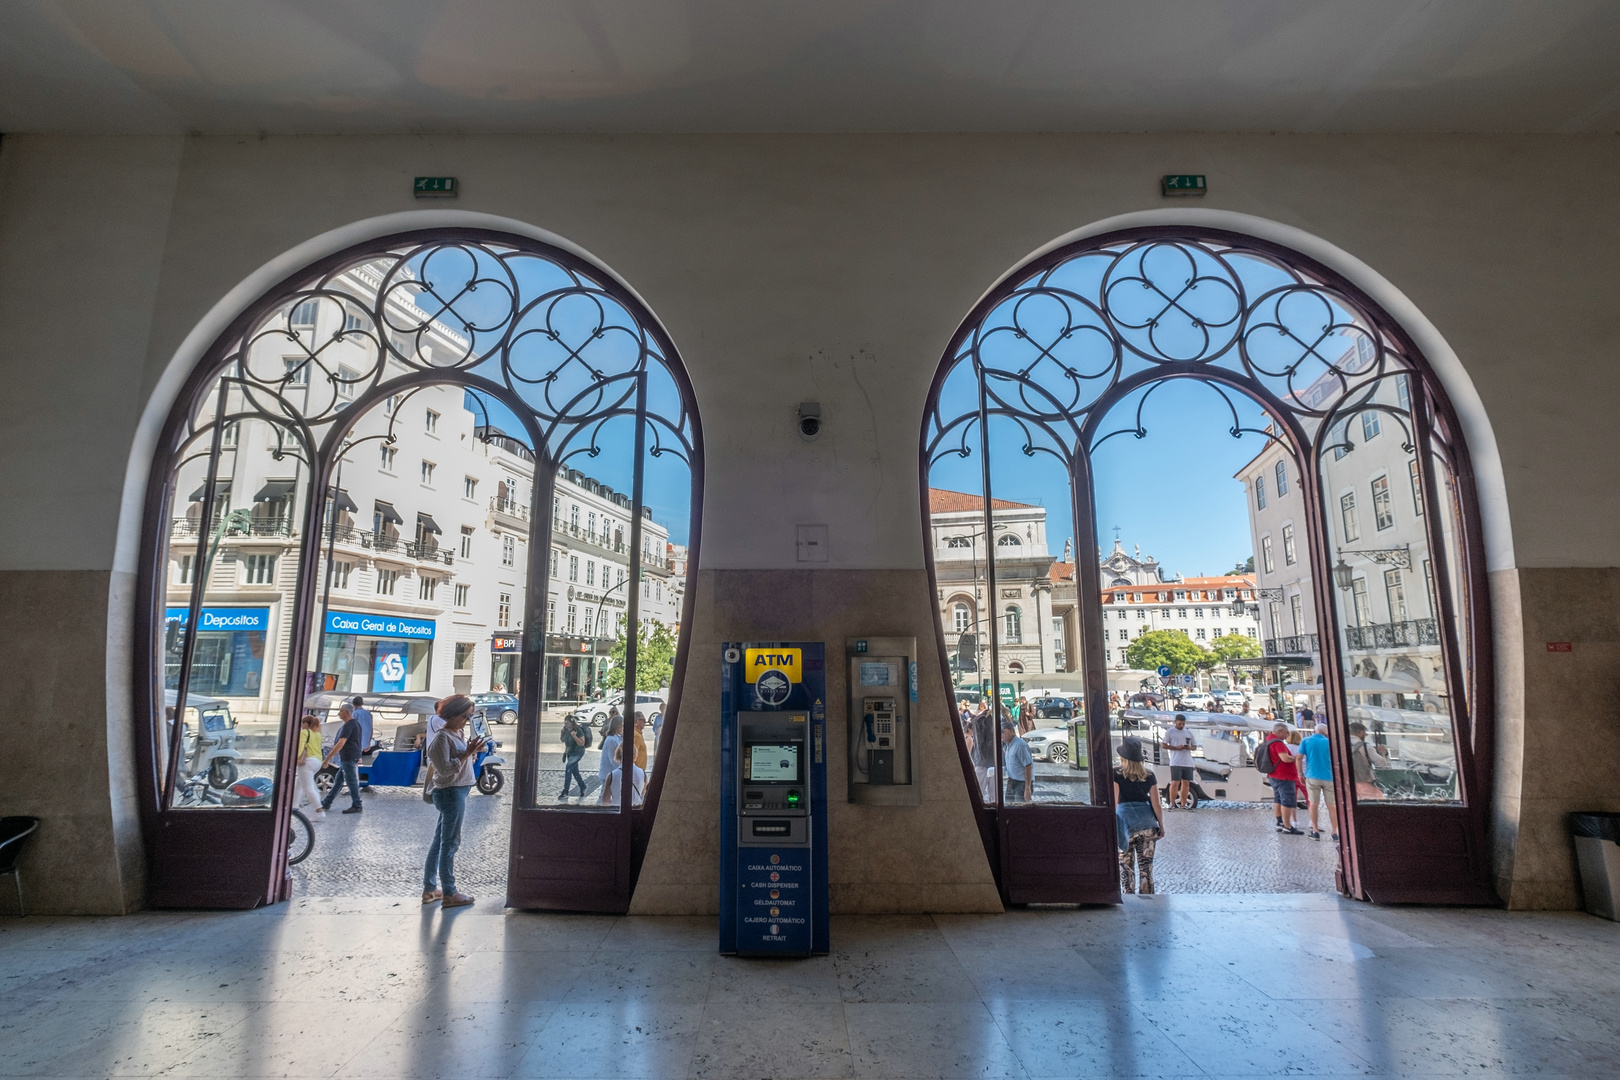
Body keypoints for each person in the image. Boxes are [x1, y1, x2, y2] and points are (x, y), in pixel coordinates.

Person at [422, 694, 487, 907]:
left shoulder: (457, 732)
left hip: (456, 791)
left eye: (469, 717)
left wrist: (472, 752)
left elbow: (461, 761)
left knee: (438, 842)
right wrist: (466, 752)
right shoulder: (442, 738)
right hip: (450, 792)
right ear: (451, 715)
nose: (467, 721)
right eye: (465, 716)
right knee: (450, 843)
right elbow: (446, 770)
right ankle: (450, 892)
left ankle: (430, 889)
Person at [1113, 736, 1164, 895]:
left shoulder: (1116, 774)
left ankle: (1128, 900)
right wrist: (1161, 825)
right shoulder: (1149, 775)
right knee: (1146, 868)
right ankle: (1148, 901)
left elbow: (1114, 802)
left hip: (1125, 826)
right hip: (1148, 825)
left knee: (1126, 867)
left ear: (1123, 757)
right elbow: (1156, 804)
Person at [319, 703, 365, 814]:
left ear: (346, 712)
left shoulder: (348, 725)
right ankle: (327, 802)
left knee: (351, 781)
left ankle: (357, 805)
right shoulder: (356, 724)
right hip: (350, 756)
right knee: (339, 781)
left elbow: (341, 743)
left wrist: (327, 759)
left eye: (340, 711)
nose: (339, 713)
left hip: (348, 757)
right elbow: (357, 742)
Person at [1260, 721, 1303, 834]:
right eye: (1286, 732)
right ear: (1280, 732)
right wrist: (1297, 758)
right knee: (1287, 799)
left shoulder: (1269, 740)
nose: (1288, 735)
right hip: (1284, 776)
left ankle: (1279, 822)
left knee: (1278, 798)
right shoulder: (1278, 743)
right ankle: (1287, 826)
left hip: (1273, 774)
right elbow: (1285, 758)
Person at [1297, 721, 1337, 840]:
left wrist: (1300, 773)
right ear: (1326, 733)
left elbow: (1299, 758)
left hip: (1312, 776)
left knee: (1313, 804)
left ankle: (1315, 831)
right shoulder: (1330, 742)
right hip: (1329, 776)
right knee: (1332, 805)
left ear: (1315, 731)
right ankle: (1335, 832)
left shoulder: (1306, 741)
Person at [1162, 713, 1197, 810]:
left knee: (1186, 783)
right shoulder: (1170, 732)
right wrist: (1175, 748)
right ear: (1175, 722)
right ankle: (1172, 803)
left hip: (1187, 761)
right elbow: (1163, 745)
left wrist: (1189, 747)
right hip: (1175, 761)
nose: (1181, 726)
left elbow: (1195, 746)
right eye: (1179, 724)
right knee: (1174, 783)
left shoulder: (1188, 733)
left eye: (1183, 724)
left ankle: (1183, 804)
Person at [1349, 721, 1388, 799]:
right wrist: (1382, 753)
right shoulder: (1366, 746)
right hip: (1364, 782)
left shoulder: (1342, 744)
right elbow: (1382, 763)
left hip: (1349, 783)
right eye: (1365, 734)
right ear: (1360, 732)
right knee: (1379, 801)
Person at [294, 714, 324, 816]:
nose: (301, 725)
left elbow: (300, 747)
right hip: (317, 761)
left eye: (302, 723)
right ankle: (294, 807)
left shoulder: (304, 732)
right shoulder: (318, 734)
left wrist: (295, 759)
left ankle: (319, 811)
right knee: (299, 785)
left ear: (306, 724)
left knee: (308, 788)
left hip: (307, 762)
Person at [1001, 721, 1034, 803]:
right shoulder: (1008, 745)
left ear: (1011, 731)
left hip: (1021, 783)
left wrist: (1027, 788)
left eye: (1003, 732)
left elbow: (1028, 767)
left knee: (1019, 809)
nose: (1001, 735)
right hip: (1012, 782)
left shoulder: (1020, 745)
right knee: (1008, 807)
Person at [558, 716, 589, 800]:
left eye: (567, 722)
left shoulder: (578, 730)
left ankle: (565, 791)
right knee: (575, 772)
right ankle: (583, 786)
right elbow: (563, 740)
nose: (565, 724)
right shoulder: (565, 729)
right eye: (565, 722)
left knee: (568, 769)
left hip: (578, 752)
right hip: (569, 753)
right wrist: (561, 734)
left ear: (572, 722)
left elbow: (582, 743)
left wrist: (574, 736)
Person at [595, 716, 624, 803]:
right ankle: (597, 811)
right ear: (618, 726)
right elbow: (613, 760)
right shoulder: (611, 740)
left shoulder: (616, 737)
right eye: (622, 725)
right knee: (603, 796)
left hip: (612, 773)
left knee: (608, 795)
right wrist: (622, 767)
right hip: (608, 772)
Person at [970, 703, 996, 803]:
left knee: (989, 793)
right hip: (985, 762)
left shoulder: (981, 720)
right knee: (987, 792)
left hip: (985, 762)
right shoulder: (982, 720)